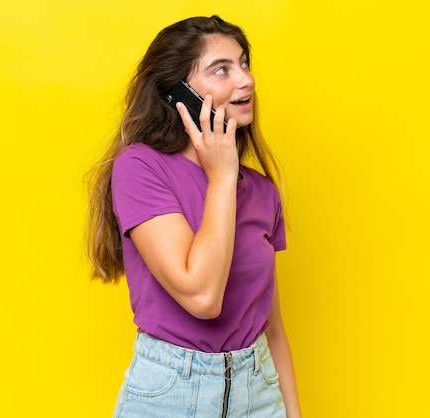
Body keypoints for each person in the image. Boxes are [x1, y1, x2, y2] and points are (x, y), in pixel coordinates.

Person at [87, 15, 302, 417]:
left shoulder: (261, 191)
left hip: (258, 390)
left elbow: (271, 327)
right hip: (171, 392)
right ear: (176, 92)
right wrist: (221, 176)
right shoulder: (140, 168)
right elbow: (203, 297)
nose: (246, 80)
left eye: (244, 63)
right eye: (221, 69)